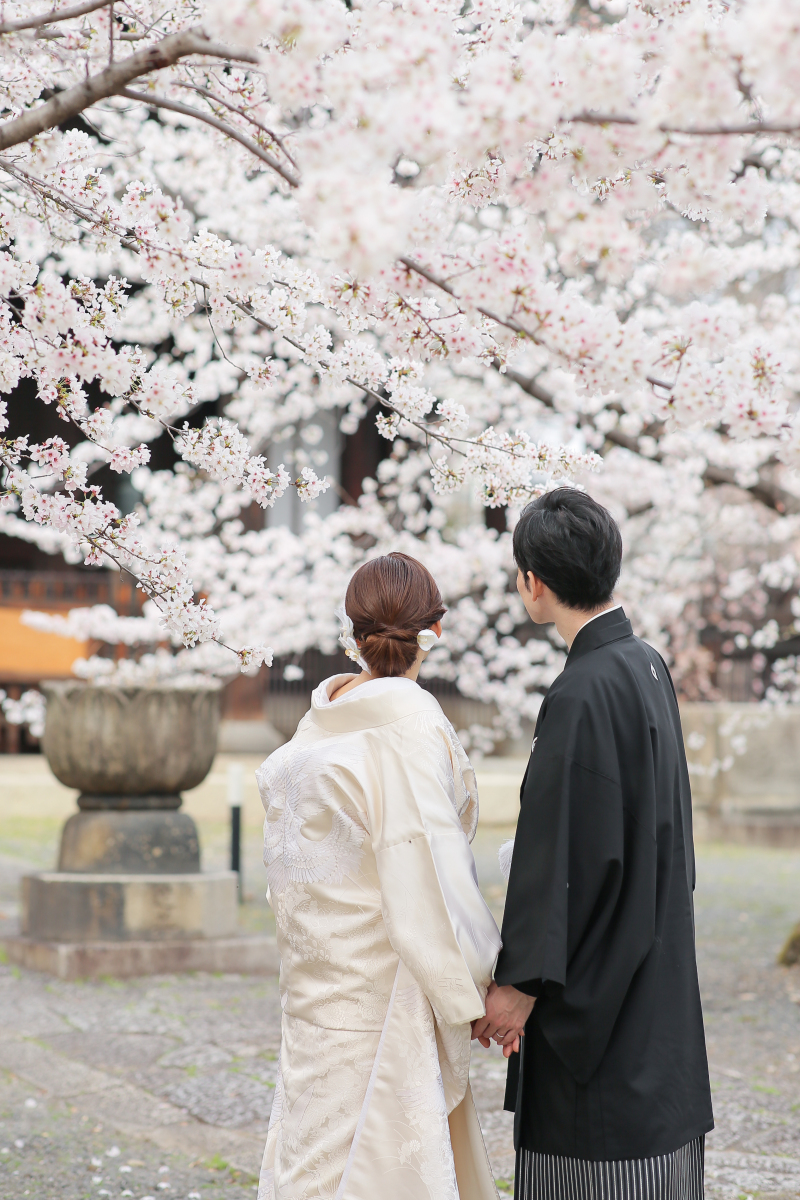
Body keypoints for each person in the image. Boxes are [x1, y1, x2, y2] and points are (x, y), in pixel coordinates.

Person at [472, 488, 714, 1200]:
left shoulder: (580, 692)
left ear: (533, 582)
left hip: (599, 1006)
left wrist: (519, 985)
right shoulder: (645, 665)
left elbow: (563, 853)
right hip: (652, 973)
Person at [256, 552, 502, 1200]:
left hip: (312, 998)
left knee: (309, 1163)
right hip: (383, 1001)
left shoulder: (305, 741)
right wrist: (478, 986)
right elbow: (431, 873)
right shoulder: (411, 727)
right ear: (435, 630)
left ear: (353, 632)